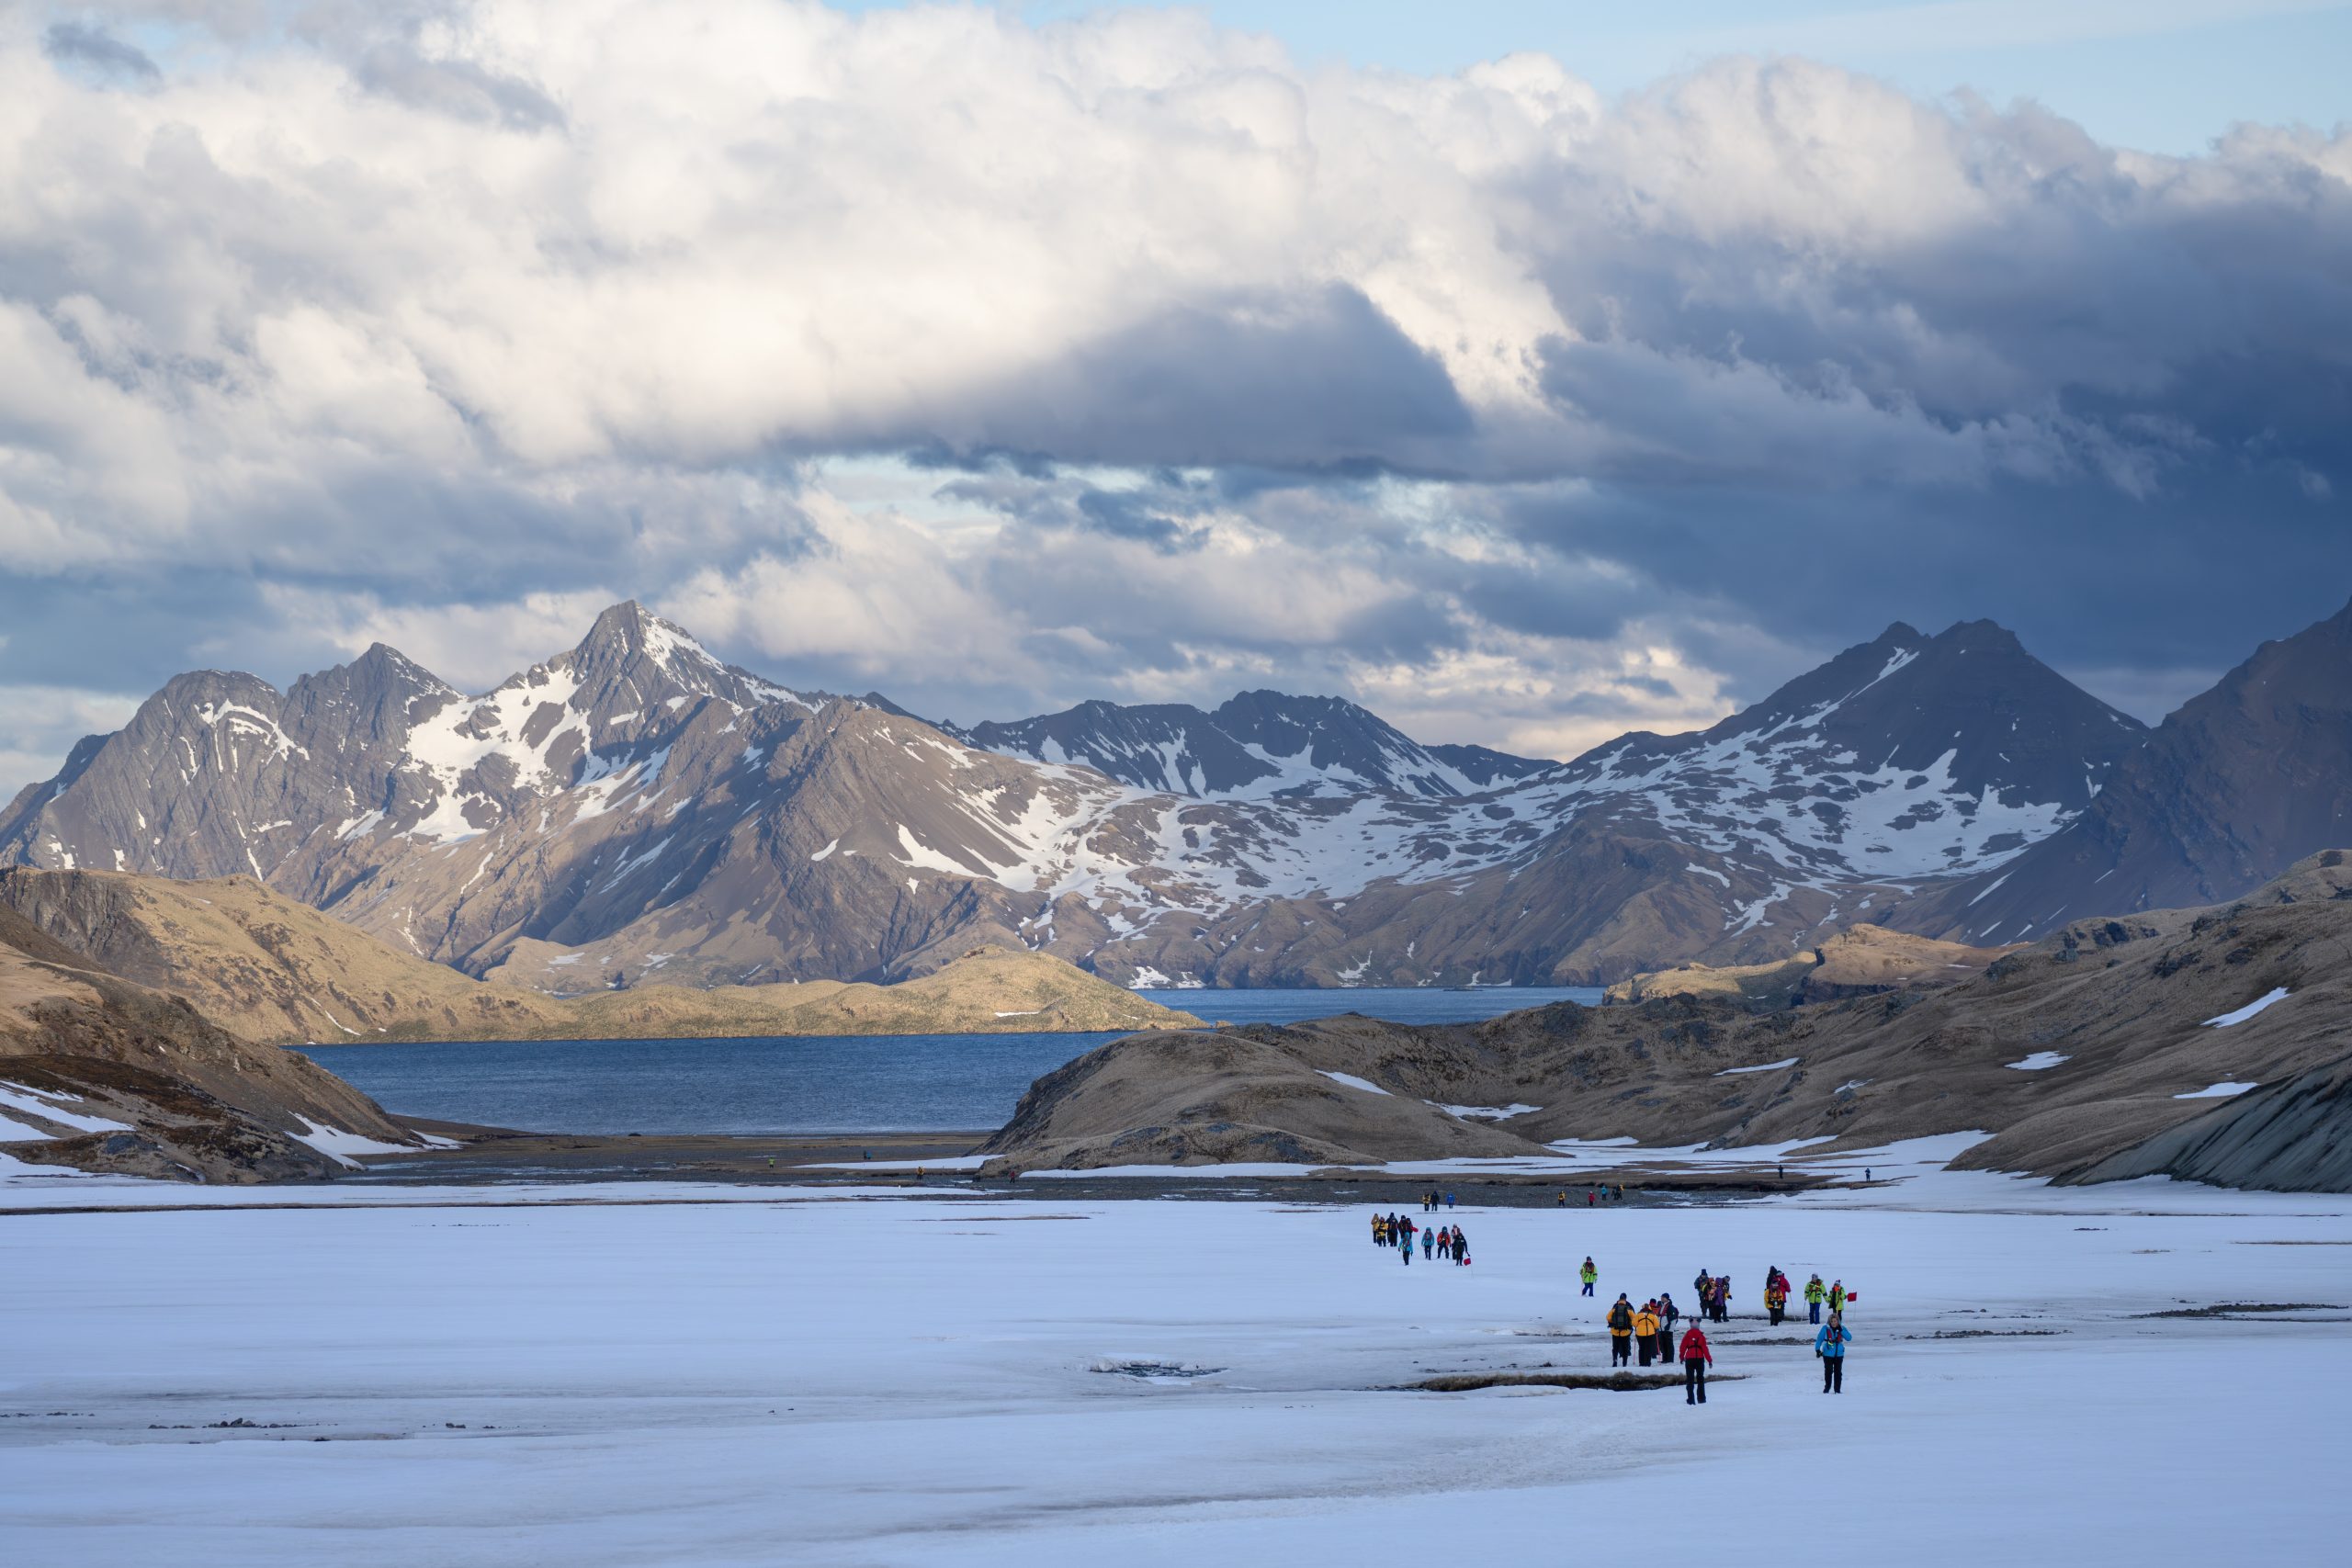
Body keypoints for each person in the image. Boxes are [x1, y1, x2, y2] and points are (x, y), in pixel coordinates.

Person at [1816, 1312, 1853, 1393]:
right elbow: (1819, 1339)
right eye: (1832, 1321)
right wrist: (1817, 1349)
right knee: (1828, 1371)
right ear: (1829, 1321)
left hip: (1839, 1354)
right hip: (1827, 1354)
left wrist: (1841, 1330)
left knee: (1838, 1373)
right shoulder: (1825, 1328)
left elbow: (1849, 1338)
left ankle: (1837, 1390)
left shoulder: (1842, 1328)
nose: (1833, 1323)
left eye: (1835, 1321)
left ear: (1838, 1321)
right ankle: (1827, 1388)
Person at [1679, 1321, 1713, 1404]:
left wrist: (1681, 1357)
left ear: (1690, 1326)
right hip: (1699, 1359)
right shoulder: (1701, 1336)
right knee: (1700, 1379)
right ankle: (1701, 1399)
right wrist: (1709, 1360)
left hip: (1689, 1359)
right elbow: (1705, 1349)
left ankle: (1691, 1400)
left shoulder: (1687, 1335)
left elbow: (1682, 1347)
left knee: (1690, 1380)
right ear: (1698, 1326)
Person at [1607, 1294, 1635, 1367]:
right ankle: (1624, 1363)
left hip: (1615, 1332)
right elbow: (1634, 1319)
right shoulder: (1629, 1309)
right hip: (1625, 1332)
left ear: (1619, 1299)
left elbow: (1608, 1317)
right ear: (1625, 1299)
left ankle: (1615, 1360)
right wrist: (1630, 1325)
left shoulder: (1614, 1308)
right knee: (1625, 1347)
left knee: (1615, 1347)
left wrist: (1612, 1323)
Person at [1634, 1301, 1660, 1367]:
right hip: (1650, 1334)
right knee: (1648, 1348)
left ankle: (1641, 1363)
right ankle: (1647, 1363)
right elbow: (1657, 1325)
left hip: (1639, 1334)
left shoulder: (1638, 1315)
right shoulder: (1653, 1315)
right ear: (1649, 1308)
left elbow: (1634, 1324)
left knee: (1641, 1348)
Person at [1657, 1292, 1679, 1362]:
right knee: (1663, 1345)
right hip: (1662, 1329)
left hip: (1668, 1330)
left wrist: (1669, 1328)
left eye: (1663, 1297)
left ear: (1667, 1298)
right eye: (1661, 1297)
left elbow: (1673, 1319)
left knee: (1669, 1345)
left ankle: (1670, 1359)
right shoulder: (1662, 1306)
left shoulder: (1670, 1307)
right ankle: (1665, 1359)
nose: (1662, 1298)